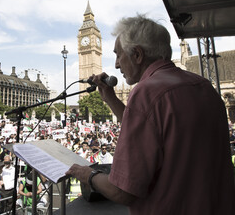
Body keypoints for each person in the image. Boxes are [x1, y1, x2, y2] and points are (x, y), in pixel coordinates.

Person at [66, 14, 235, 214]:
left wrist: (86, 174)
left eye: (119, 55)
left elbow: (122, 191)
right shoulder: (204, 86)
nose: (116, 65)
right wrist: (110, 98)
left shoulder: (146, 92)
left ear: (137, 54)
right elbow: (150, 127)